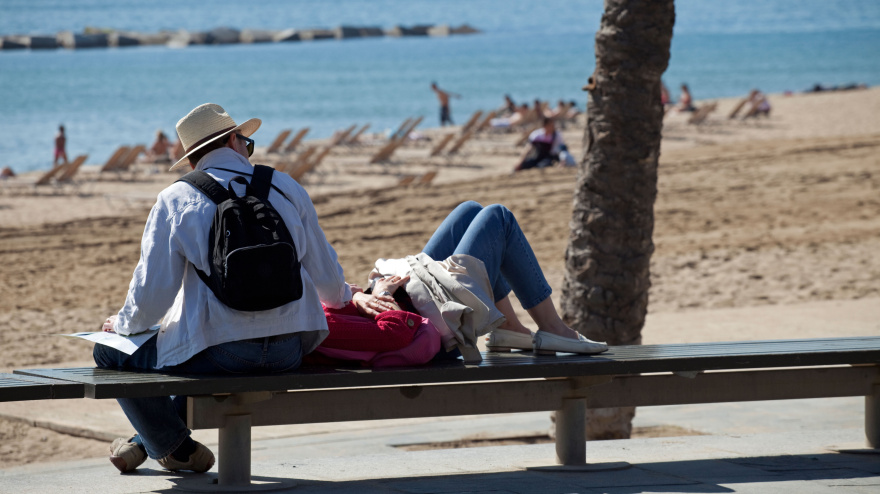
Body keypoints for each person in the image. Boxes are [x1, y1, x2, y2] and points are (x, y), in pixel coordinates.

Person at [92, 103, 356, 474]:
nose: (248, 150)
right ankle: (149, 441)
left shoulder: (175, 199)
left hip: (221, 355)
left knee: (110, 352)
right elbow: (331, 288)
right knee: (187, 344)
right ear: (234, 140)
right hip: (289, 350)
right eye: (247, 143)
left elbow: (151, 300)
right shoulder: (285, 186)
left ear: (191, 159)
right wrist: (350, 294)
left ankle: (170, 445)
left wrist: (119, 326)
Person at [329, 201, 607, 361]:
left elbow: (336, 306)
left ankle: (509, 327)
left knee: (469, 211)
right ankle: (552, 327)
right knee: (499, 218)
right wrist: (381, 294)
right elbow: (392, 334)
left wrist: (357, 295)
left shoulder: (311, 310)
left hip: (413, 302)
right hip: (428, 327)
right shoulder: (316, 326)